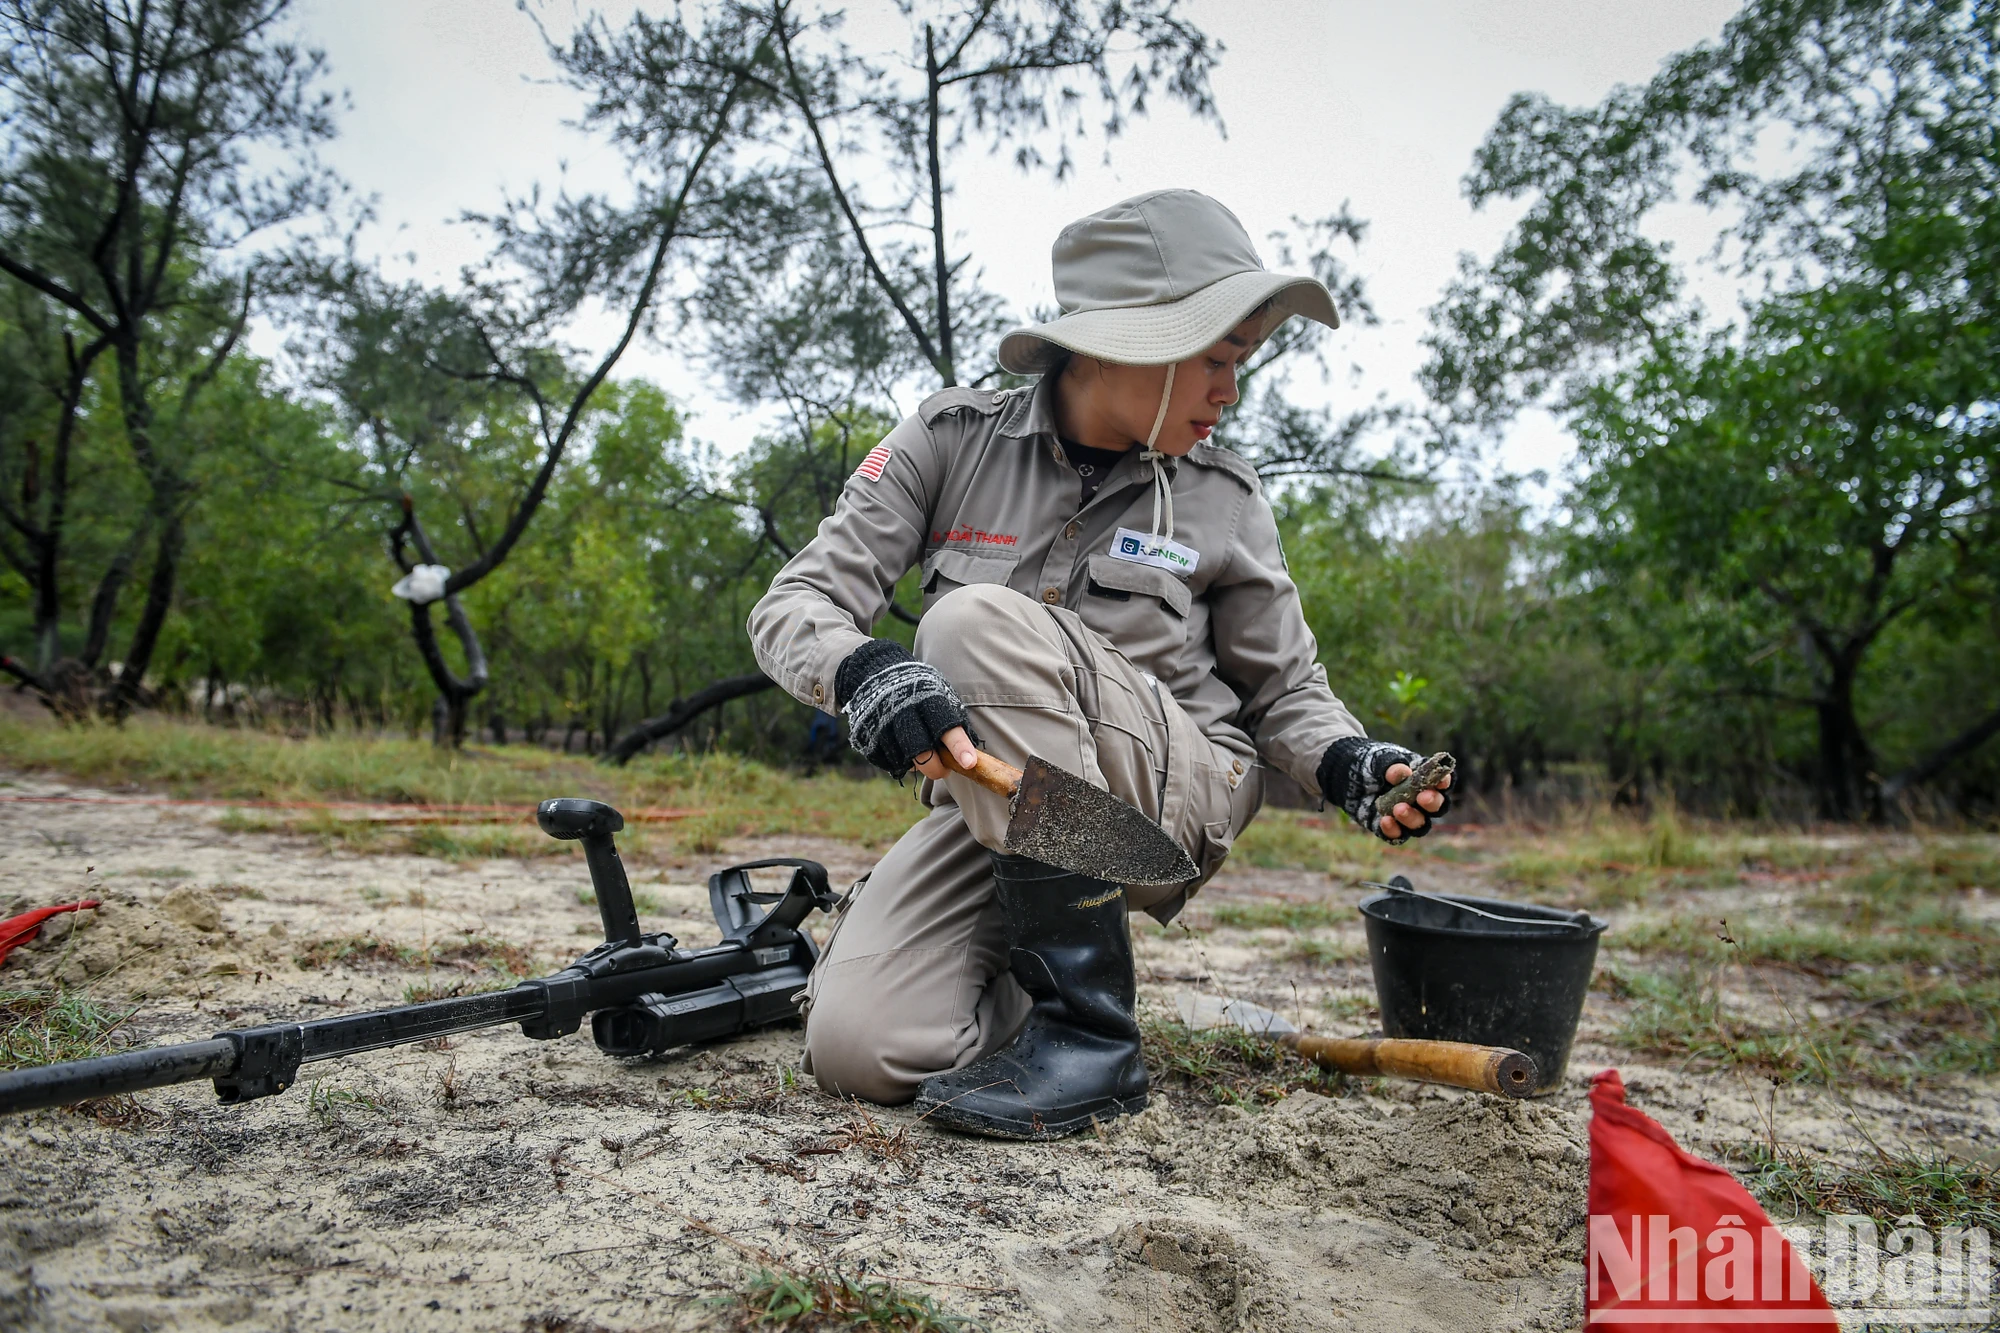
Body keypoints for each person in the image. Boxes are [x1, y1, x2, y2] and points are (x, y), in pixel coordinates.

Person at [747, 188, 1451, 1140]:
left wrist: (1349, 764)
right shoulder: (950, 441)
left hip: (1170, 799)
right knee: (864, 1047)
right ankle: (1045, 1008)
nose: (1229, 392)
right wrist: (863, 669)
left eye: (1238, 364)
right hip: (1010, 805)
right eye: (1217, 359)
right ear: (1134, 342)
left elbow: (1286, 691)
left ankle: (1094, 1036)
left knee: (964, 625)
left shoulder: (1224, 497)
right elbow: (796, 603)